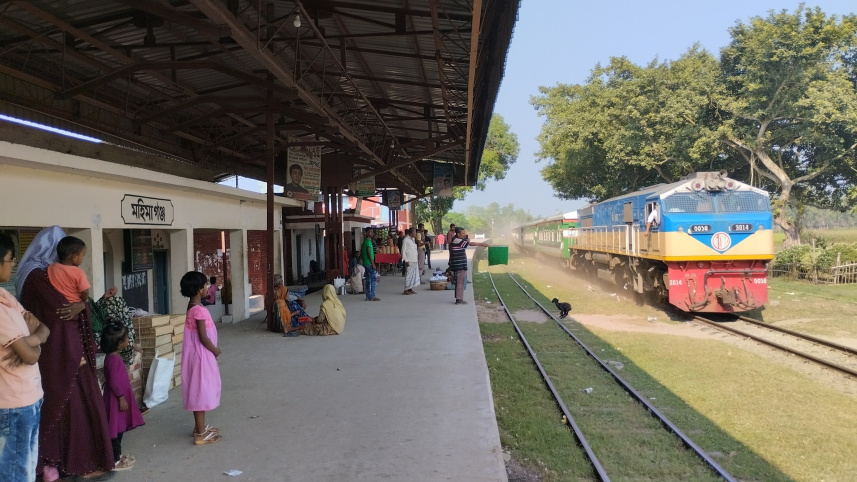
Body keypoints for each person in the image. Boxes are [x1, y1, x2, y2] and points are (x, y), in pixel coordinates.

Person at [17, 226, 115, 481]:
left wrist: (82, 305)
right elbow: (62, 313)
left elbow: (75, 306)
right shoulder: (37, 278)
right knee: (68, 407)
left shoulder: (44, 274)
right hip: (62, 354)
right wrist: (82, 308)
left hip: (58, 351)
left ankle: (57, 464)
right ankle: (64, 462)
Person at [0, 233, 50, 482]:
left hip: (28, 399)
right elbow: (31, 357)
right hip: (12, 405)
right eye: (10, 259)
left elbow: (43, 328)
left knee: (27, 469)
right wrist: (32, 344)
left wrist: (28, 342)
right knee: (15, 474)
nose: (13, 264)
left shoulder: (6, 297)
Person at [179, 271, 222, 445]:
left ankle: (200, 426)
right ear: (198, 289)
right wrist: (215, 350)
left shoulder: (192, 306)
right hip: (201, 355)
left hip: (195, 354)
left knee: (199, 389)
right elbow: (203, 337)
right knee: (201, 391)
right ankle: (201, 433)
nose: (207, 288)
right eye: (204, 286)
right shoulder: (198, 310)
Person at [100, 323, 144, 471]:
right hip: (115, 399)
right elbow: (112, 380)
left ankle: (116, 456)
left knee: (118, 428)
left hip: (118, 397)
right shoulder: (112, 360)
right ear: (119, 344)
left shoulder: (113, 356)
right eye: (126, 338)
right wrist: (121, 397)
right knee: (115, 430)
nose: (128, 340)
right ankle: (114, 460)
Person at [449, 227, 488, 305]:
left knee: (459, 282)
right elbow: (470, 243)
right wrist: (481, 244)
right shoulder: (459, 241)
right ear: (458, 234)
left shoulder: (455, 240)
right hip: (460, 265)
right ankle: (459, 300)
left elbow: (468, 243)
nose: (464, 235)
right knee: (460, 282)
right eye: (463, 233)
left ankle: (458, 298)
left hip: (457, 264)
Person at [47, 236, 90, 304]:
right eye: (82, 255)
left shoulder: (51, 267)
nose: (83, 259)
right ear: (74, 257)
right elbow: (85, 291)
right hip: (74, 306)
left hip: (57, 304)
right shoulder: (78, 272)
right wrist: (84, 300)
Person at [361, 228, 379, 301]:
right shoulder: (368, 241)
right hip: (369, 262)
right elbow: (369, 253)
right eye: (370, 232)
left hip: (365, 262)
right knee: (373, 279)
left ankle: (368, 296)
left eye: (372, 232)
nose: (372, 233)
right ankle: (372, 296)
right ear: (366, 232)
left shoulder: (365, 241)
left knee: (368, 279)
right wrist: (373, 263)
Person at [401, 228, 419, 295]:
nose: (415, 234)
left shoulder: (413, 240)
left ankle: (410, 288)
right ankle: (406, 290)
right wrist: (406, 260)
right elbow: (403, 251)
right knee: (408, 275)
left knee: (413, 275)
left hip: (414, 259)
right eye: (414, 232)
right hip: (409, 260)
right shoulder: (405, 240)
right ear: (411, 232)